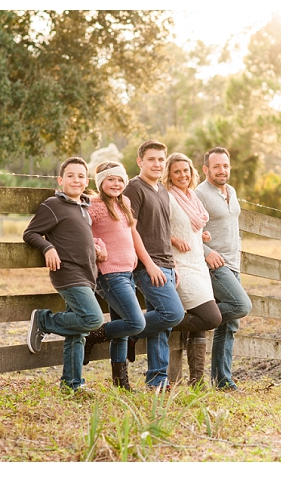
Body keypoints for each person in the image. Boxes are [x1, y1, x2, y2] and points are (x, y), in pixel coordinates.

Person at [23, 156, 105, 393]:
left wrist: (95, 247)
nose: (76, 180)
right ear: (60, 180)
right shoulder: (53, 205)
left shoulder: (83, 206)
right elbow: (31, 233)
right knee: (92, 320)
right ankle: (44, 320)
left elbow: (78, 236)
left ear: (86, 180)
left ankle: (72, 383)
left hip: (87, 274)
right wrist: (48, 247)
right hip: (68, 274)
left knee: (76, 333)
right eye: (70, 175)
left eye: (81, 176)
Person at [123, 140, 185, 390]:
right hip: (147, 265)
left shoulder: (161, 190)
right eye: (151, 159)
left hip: (166, 263)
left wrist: (173, 264)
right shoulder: (134, 188)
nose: (157, 164)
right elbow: (131, 230)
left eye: (161, 159)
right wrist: (148, 264)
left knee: (163, 324)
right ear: (140, 161)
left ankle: (157, 379)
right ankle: (130, 331)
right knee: (173, 313)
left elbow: (164, 230)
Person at [81, 161, 147, 391]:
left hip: (127, 272)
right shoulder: (93, 205)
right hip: (109, 274)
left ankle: (121, 383)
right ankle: (93, 335)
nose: (116, 184)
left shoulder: (124, 202)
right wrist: (97, 246)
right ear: (100, 182)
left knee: (122, 330)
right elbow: (80, 233)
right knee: (135, 323)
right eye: (110, 179)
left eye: (120, 180)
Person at [162, 152, 222, 387]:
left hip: (198, 264)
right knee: (210, 317)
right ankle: (153, 323)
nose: (182, 175)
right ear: (169, 174)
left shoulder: (192, 198)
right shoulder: (167, 197)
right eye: (176, 171)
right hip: (181, 265)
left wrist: (200, 235)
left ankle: (196, 381)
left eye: (185, 170)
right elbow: (154, 228)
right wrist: (173, 239)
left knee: (199, 319)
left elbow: (190, 226)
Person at [195, 147, 252, 391]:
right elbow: (186, 229)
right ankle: (197, 317)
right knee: (241, 306)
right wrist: (207, 253)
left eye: (226, 166)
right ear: (206, 169)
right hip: (215, 265)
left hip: (233, 263)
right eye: (216, 166)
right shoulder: (200, 193)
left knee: (229, 324)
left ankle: (222, 380)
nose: (222, 170)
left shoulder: (231, 191)